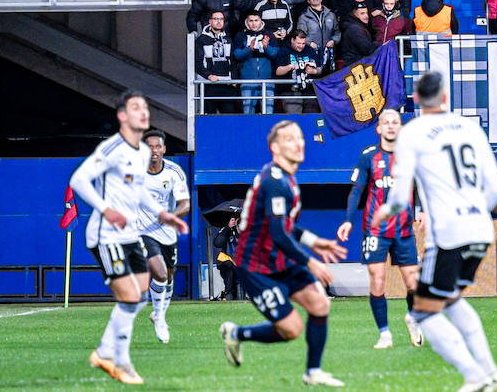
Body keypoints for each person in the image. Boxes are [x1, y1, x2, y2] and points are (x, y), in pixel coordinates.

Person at [371, 71, 497, 392]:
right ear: (445, 96)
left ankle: (474, 375)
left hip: (449, 233)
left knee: (422, 312)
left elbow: (400, 194)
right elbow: (496, 189)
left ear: (415, 99)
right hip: (480, 229)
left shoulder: (414, 132)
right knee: (451, 301)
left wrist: (384, 213)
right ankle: (491, 371)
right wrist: (473, 211)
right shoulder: (470, 127)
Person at [68, 93, 189, 386]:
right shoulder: (112, 149)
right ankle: (117, 360)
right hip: (106, 235)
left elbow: (140, 194)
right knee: (131, 295)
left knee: (142, 295)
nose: (143, 112)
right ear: (122, 116)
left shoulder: (139, 154)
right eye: (136, 108)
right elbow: (79, 180)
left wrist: (166, 214)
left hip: (130, 235)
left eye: (145, 107)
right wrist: (106, 209)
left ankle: (105, 353)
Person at [219, 120, 349, 387]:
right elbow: (279, 234)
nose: (299, 143)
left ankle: (313, 372)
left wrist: (316, 242)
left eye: (300, 138)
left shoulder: (285, 178)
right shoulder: (275, 181)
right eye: (290, 139)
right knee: (291, 330)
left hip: (278, 259)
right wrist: (311, 261)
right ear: (274, 148)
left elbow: (285, 226)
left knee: (320, 304)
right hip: (256, 266)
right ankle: (236, 333)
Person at [336, 110, 424, 350]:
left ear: (400, 128)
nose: (391, 126)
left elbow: (422, 185)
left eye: (395, 122)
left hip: (404, 228)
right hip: (375, 229)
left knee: (414, 283)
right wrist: (347, 220)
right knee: (377, 280)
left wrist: (423, 209)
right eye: (386, 122)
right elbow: (357, 191)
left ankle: (413, 318)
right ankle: (385, 334)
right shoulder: (368, 156)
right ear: (378, 129)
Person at [135, 128, 190, 344]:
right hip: (142, 230)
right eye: (149, 147)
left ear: (164, 149)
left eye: (158, 146)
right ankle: (159, 319)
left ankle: (159, 315)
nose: (154, 150)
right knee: (158, 272)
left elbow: (185, 204)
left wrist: (171, 216)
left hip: (167, 232)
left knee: (168, 275)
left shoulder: (174, 172)